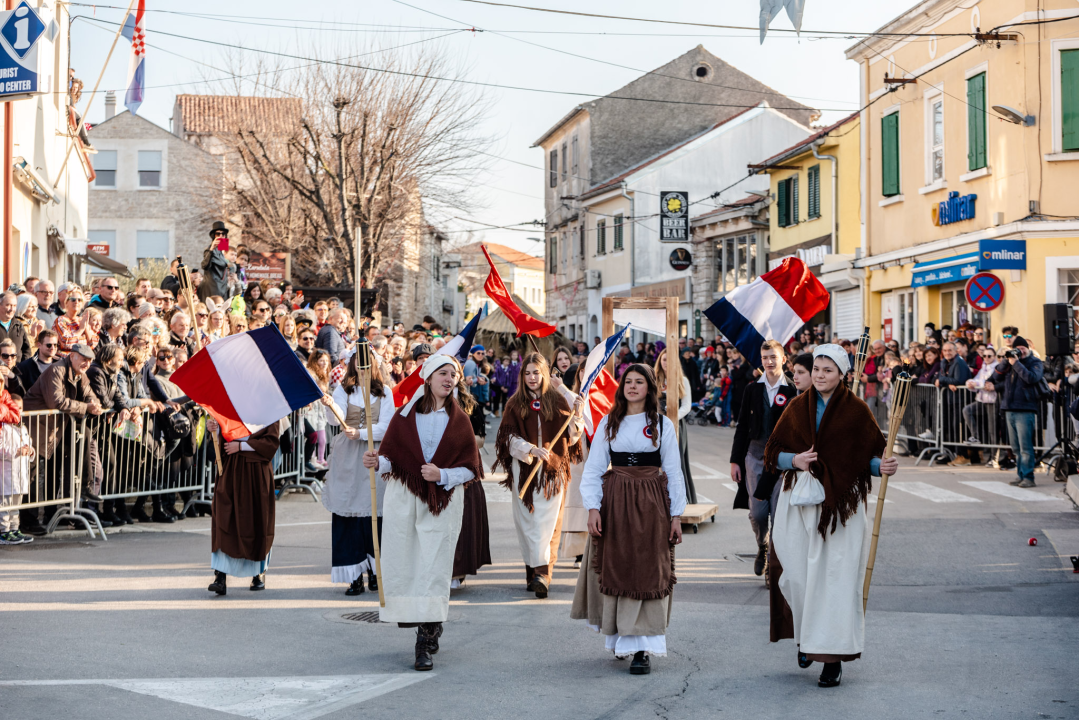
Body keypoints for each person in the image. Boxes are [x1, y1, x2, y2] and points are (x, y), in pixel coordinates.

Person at [764, 344, 896, 688]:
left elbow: (868, 456)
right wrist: (795, 460)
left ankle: (831, 660)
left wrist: (881, 466)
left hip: (842, 507)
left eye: (827, 370)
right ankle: (807, 639)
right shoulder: (796, 407)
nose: (820, 375)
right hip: (799, 503)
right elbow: (772, 452)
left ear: (842, 374)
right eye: (817, 369)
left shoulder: (857, 411)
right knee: (798, 576)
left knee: (835, 582)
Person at [362, 356, 483, 671]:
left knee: (434, 566)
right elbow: (393, 459)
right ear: (428, 378)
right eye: (443, 373)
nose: (449, 378)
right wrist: (378, 463)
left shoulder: (460, 421)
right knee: (405, 562)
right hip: (404, 499)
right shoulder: (404, 417)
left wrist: (442, 475)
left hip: (442, 500)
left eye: (453, 374)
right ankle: (423, 624)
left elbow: (471, 469)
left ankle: (424, 641)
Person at [570, 363, 685, 676]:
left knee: (648, 568)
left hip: (652, 502)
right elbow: (594, 469)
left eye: (639, 382)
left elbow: (674, 472)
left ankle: (642, 648)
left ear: (650, 387)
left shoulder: (662, 425)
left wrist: (676, 515)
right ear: (622, 388)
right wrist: (593, 508)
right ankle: (623, 636)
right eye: (628, 382)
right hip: (616, 501)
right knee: (619, 565)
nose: (633, 387)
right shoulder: (610, 422)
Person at [493, 352, 584, 598]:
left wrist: (577, 416)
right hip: (524, 468)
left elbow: (572, 436)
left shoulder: (559, 400)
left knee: (548, 523)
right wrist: (530, 449)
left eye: (537, 372)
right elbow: (507, 438)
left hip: (552, 471)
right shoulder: (514, 402)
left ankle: (543, 575)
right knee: (527, 523)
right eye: (527, 373)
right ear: (522, 376)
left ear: (545, 373)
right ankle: (532, 572)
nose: (532, 377)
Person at [320, 348, 394, 595]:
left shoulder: (385, 392)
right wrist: (332, 406)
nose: (362, 368)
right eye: (358, 363)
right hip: (348, 458)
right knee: (349, 513)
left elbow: (387, 426)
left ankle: (376, 572)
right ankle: (354, 576)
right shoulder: (343, 390)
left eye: (366, 363)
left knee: (374, 513)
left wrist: (361, 433)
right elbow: (336, 420)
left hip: (375, 456)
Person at [730, 340, 798, 578]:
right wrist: (735, 460)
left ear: (783, 359)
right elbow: (742, 427)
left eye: (773, 357)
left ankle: (772, 565)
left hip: (782, 459)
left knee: (780, 512)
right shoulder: (752, 389)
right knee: (758, 513)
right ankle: (762, 545)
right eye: (764, 357)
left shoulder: (793, 389)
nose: (769, 362)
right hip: (756, 455)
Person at [206, 416, 281, 595]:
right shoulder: (229, 405)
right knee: (225, 519)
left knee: (257, 520)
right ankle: (220, 576)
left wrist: (241, 446)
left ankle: (258, 573)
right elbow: (220, 442)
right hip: (231, 467)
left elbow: (271, 443)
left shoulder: (269, 406)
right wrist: (214, 430)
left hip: (256, 470)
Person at [990, 337, 1043, 488]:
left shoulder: (1035, 362)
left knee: (1025, 447)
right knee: (1016, 447)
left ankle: (1028, 477)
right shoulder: (1010, 362)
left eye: (1023, 347)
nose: (1020, 350)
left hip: (1025, 408)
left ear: (1028, 348)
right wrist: (1007, 361)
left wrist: (1017, 363)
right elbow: (995, 377)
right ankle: (1021, 475)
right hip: (1009, 408)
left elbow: (1031, 378)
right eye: (1017, 348)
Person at [656, 348, 697, 505]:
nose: (666, 363)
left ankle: (682, 500)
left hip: (676, 425)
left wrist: (671, 419)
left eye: (670, 359)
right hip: (656, 424)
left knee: (676, 461)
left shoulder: (683, 380)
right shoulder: (655, 380)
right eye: (664, 359)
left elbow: (686, 406)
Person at [0, 391, 33, 545]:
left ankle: (15, 528)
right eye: (15, 408)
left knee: (16, 505)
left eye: (20, 408)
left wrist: (30, 451)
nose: (18, 411)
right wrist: (16, 452)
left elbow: (29, 443)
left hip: (20, 474)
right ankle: (4, 531)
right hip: (7, 473)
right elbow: (1, 449)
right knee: (5, 506)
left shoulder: (23, 427)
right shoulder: (3, 427)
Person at [201, 222, 231, 300]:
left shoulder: (222, 252)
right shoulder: (209, 250)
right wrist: (211, 249)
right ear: (214, 236)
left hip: (223, 287)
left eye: (223, 234)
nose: (221, 236)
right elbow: (204, 265)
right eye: (218, 234)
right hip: (213, 288)